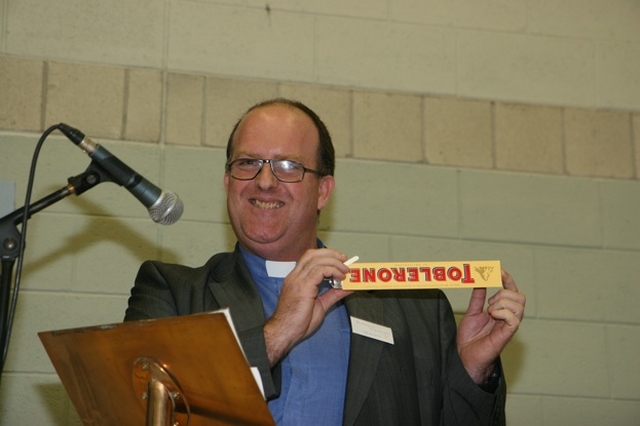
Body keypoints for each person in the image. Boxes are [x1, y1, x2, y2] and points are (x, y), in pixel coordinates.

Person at [125, 98, 526, 425]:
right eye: (247, 163)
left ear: (323, 191)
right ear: (228, 182)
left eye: (288, 166)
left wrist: (470, 373)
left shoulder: (416, 308)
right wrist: (277, 333)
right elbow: (137, 411)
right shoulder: (172, 293)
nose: (264, 181)